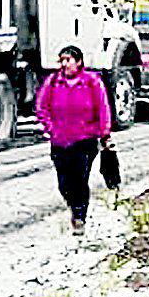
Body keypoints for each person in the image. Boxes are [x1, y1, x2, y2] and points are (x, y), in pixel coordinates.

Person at [35, 44, 113, 236]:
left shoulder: (91, 82)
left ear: (78, 62)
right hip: (60, 140)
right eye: (62, 60)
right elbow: (41, 106)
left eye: (68, 60)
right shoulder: (54, 82)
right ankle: (72, 205)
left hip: (85, 140)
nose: (64, 64)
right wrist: (50, 128)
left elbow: (102, 108)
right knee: (64, 182)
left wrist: (104, 133)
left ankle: (80, 216)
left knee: (80, 178)